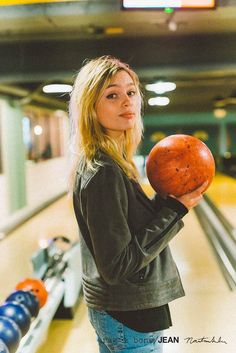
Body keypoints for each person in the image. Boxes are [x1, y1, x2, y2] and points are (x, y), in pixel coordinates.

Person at [69, 55, 205, 353]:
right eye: (112, 95)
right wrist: (176, 210)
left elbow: (127, 229)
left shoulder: (112, 162)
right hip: (130, 318)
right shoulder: (103, 171)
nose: (126, 101)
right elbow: (117, 265)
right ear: (91, 108)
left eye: (131, 92)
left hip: (120, 313)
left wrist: (165, 200)